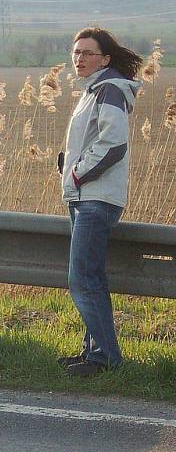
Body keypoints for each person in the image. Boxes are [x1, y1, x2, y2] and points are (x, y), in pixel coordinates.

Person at [59, 27, 142, 377]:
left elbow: (113, 144)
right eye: (76, 52)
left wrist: (77, 172)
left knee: (82, 279)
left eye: (87, 53)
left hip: (96, 197)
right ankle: (93, 352)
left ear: (105, 59)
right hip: (86, 195)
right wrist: (69, 166)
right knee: (90, 277)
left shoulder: (108, 89)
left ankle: (106, 358)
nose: (79, 58)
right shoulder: (94, 90)